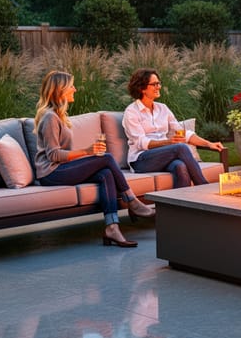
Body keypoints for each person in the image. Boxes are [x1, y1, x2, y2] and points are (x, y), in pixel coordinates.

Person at [34, 70, 155, 249]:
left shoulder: (59, 115)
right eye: (71, 86)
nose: (75, 89)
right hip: (51, 173)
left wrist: (86, 153)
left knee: (105, 173)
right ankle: (132, 200)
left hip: (61, 168)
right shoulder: (50, 117)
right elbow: (53, 155)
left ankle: (112, 227)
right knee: (105, 158)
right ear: (60, 90)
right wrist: (87, 151)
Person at [123, 68, 224, 188]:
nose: (158, 87)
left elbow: (182, 133)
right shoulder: (131, 112)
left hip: (163, 156)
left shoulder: (163, 108)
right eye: (154, 84)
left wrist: (208, 144)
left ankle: (181, 204)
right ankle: (203, 186)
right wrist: (169, 142)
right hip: (141, 160)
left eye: (159, 83)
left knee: (180, 166)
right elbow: (141, 143)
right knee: (180, 147)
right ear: (142, 88)